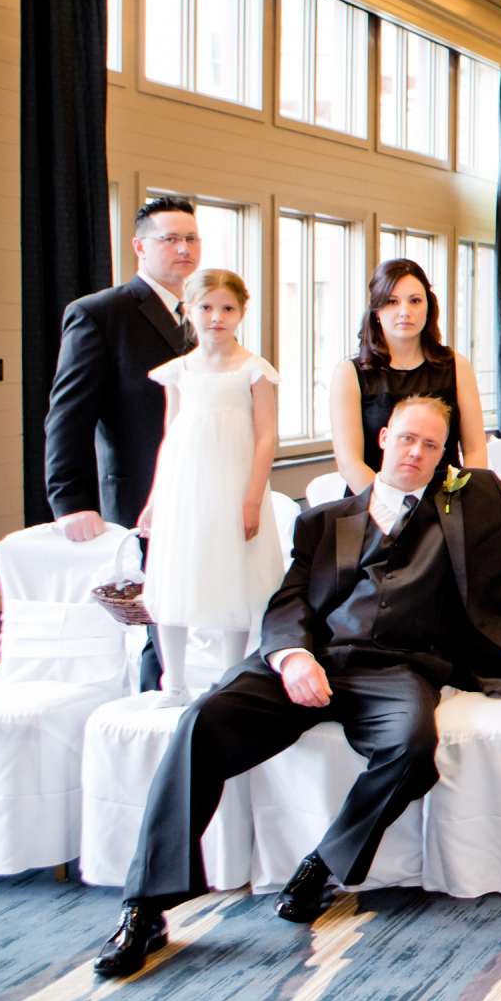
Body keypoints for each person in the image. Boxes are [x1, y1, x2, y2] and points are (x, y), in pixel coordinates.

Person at [92, 395, 501, 979]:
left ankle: (323, 864)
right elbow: (289, 601)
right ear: (383, 440)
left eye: (430, 445)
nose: (416, 453)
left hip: (399, 669)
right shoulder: (324, 519)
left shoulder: (469, 501)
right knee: (201, 723)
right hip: (314, 657)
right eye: (407, 439)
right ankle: (144, 907)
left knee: (411, 749)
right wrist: (293, 657)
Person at [139, 269, 285, 700]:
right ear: (188, 309)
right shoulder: (179, 371)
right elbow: (171, 437)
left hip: (234, 484)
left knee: (231, 575)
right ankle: (175, 681)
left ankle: (229, 675)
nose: (216, 317)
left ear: (241, 312)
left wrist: (253, 497)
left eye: (227, 308)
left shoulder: (254, 370)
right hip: (185, 487)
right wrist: (154, 499)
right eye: (206, 307)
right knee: (176, 574)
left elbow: (266, 435)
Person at [45, 195, 201, 539]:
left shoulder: (202, 314)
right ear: (140, 246)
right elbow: (68, 414)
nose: (183, 249)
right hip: (135, 491)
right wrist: (71, 502)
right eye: (170, 239)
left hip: (196, 486)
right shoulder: (101, 313)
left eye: (191, 239)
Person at [330, 258, 488, 493]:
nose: (405, 312)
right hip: (374, 505)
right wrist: (393, 508)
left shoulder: (457, 366)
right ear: (376, 311)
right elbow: (349, 463)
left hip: (445, 503)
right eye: (392, 302)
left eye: (415, 301)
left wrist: (454, 499)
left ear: (429, 307)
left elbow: (475, 450)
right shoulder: (349, 374)